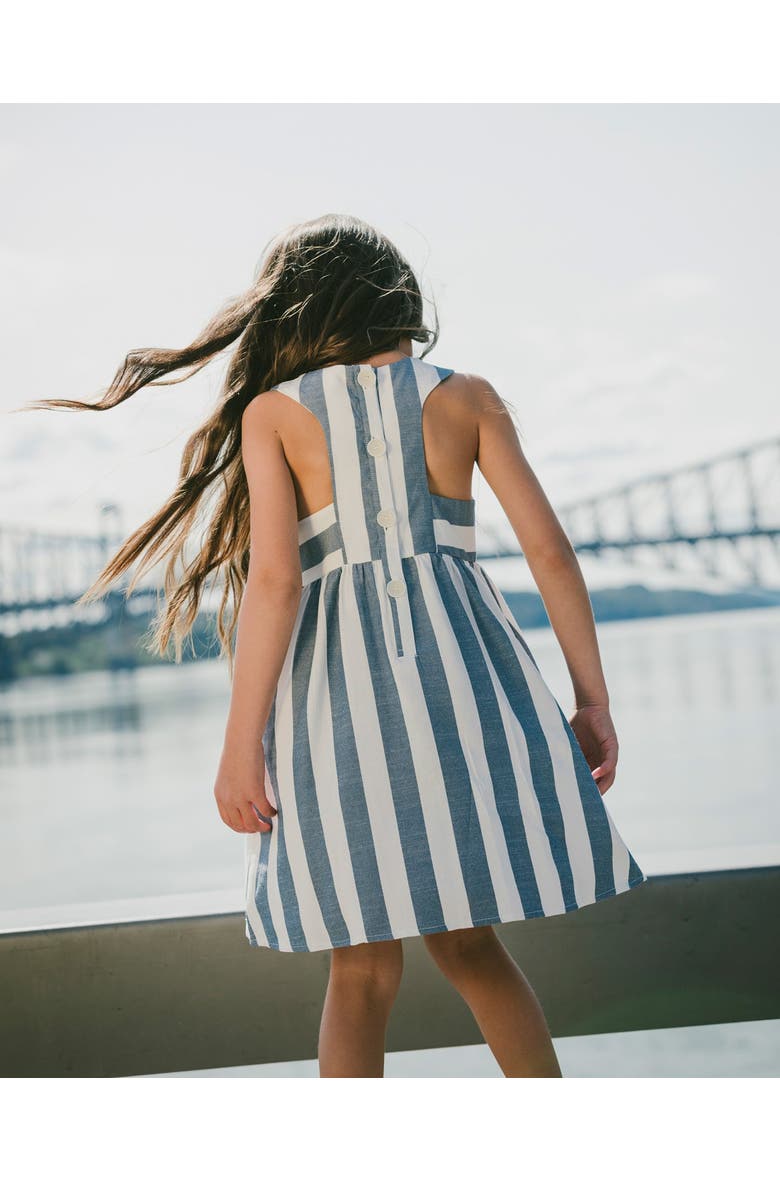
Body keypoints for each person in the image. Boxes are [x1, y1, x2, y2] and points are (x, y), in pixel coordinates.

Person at [24, 212, 647, 1078]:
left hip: (337, 707)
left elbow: (277, 585)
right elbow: (549, 552)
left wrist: (240, 751)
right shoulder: (466, 395)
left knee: (359, 969)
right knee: (470, 944)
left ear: (302, 309)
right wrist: (591, 699)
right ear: (397, 299)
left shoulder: (275, 414)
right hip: (464, 688)